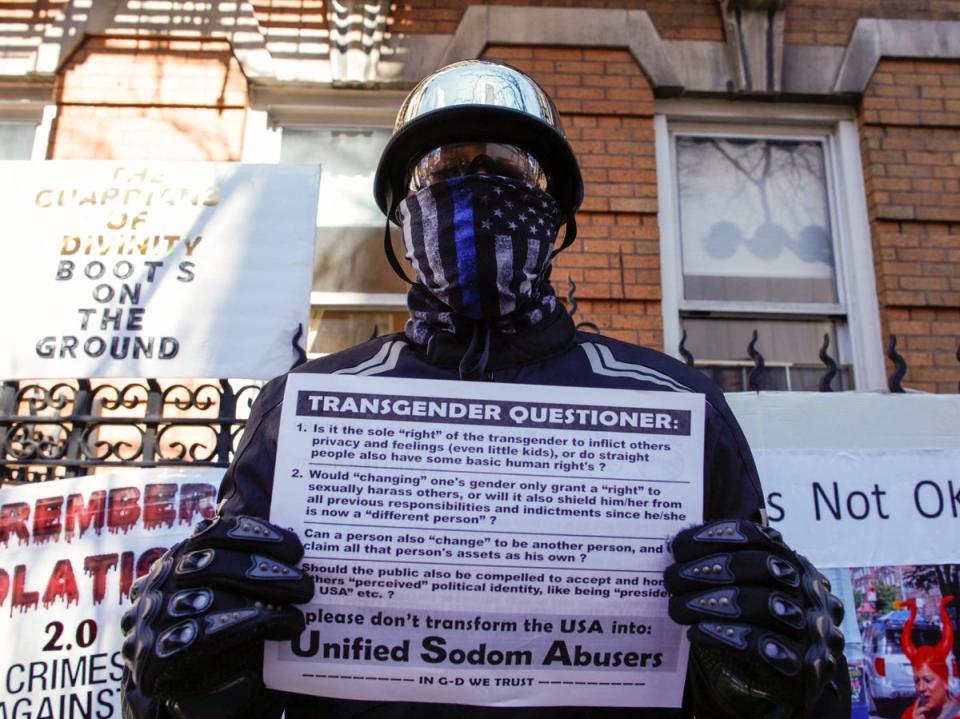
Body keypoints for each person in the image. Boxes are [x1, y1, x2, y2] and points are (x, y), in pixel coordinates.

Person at [120, 60, 850, 719]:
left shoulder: (676, 405)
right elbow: (234, 675)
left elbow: (754, 669)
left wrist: (772, 674)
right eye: (441, 174)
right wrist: (191, 678)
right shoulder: (303, 406)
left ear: (555, 213)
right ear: (401, 220)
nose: (474, 189)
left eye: (507, 169)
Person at [899, 596, 959, 719]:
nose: (921, 688)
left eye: (928, 680)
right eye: (916, 681)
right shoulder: (910, 715)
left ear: (945, 681)